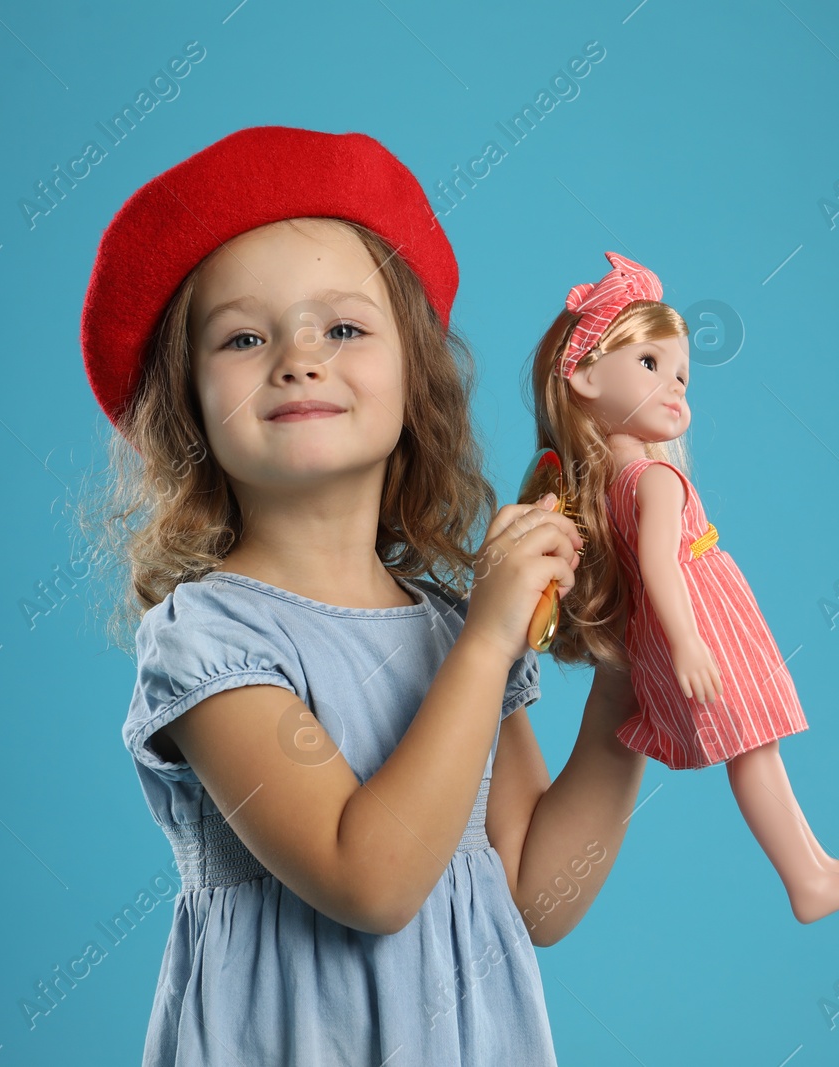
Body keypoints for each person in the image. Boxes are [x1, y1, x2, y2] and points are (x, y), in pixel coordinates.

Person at [77, 126, 648, 1065]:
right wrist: (489, 642)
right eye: (244, 336)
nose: (299, 358)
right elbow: (370, 879)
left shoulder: (448, 624)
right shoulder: (211, 638)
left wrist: (624, 687)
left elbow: (538, 894)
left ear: (413, 379)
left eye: (343, 327)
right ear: (185, 403)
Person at [518, 250, 839, 924]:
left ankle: (813, 861)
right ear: (586, 375)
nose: (676, 384)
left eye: (682, 371)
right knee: (754, 745)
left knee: (759, 744)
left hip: (699, 617)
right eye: (651, 365)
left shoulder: (613, 484)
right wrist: (687, 643)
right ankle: (805, 873)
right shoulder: (653, 480)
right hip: (704, 622)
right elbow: (658, 565)